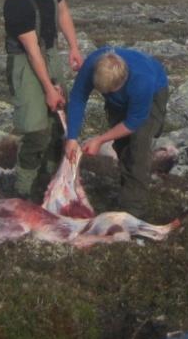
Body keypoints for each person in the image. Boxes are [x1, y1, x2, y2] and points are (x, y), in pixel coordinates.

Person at [3, 0, 82, 199]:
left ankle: (51, 179)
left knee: (59, 122)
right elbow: (31, 50)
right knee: (36, 130)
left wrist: (73, 47)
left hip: (50, 54)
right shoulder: (16, 3)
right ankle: (23, 189)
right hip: (26, 62)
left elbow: (63, 11)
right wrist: (48, 89)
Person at [64, 47, 168, 217]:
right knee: (122, 146)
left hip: (153, 94)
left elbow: (133, 122)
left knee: (138, 148)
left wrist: (100, 139)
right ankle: (128, 188)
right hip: (120, 102)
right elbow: (78, 98)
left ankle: (133, 212)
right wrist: (72, 138)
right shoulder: (92, 65)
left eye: (111, 91)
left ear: (123, 80)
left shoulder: (142, 80)